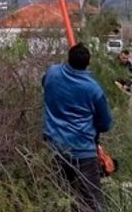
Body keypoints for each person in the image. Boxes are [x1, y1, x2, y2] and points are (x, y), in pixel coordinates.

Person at [42, 43, 112, 212]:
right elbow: (105, 124)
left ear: (68, 58)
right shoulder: (93, 89)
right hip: (83, 152)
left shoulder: (52, 73)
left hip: (55, 149)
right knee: (91, 202)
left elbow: (45, 83)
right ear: (88, 63)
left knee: (57, 197)